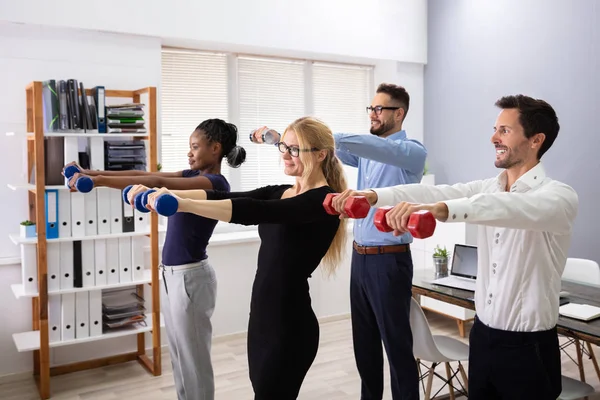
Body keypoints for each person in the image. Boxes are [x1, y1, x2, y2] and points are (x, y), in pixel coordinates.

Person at [334, 94, 579, 400]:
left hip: (527, 347)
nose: (493, 137)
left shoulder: (559, 196)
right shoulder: (491, 186)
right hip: (483, 337)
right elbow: (433, 189)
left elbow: (504, 208)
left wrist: (439, 209)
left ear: (536, 140)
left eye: (505, 130)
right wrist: (374, 196)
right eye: (495, 128)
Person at [144, 116, 348, 400]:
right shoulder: (281, 192)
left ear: (321, 154)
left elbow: (251, 210)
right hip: (262, 318)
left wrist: (183, 203)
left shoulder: (322, 202)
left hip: (290, 324)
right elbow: (225, 196)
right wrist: (164, 191)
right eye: (283, 147)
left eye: (294, 149)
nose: (285, 155)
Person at [63, 118, 246, 400]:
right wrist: (91, 173)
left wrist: (97, 182)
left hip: (191, 279)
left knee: (193, 360)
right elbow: (145, 173)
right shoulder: (190, 175)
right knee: (179, 356)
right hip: (173, 276)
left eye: (195, 147)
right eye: (189, 147)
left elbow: (156, 181)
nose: (190, 152)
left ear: (216, 148)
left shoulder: (214, 183)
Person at [332, 83, 427, 400]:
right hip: (361, 260)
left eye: (378, 109)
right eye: (370, 109)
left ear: (398, 113)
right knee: (365, 345)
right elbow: (327, 150)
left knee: (397, 346)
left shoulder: (411, 152)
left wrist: (320, 134)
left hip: (390, 261)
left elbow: (367, 146)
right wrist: (283, 140)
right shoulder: (369, 153)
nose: (372, 114)